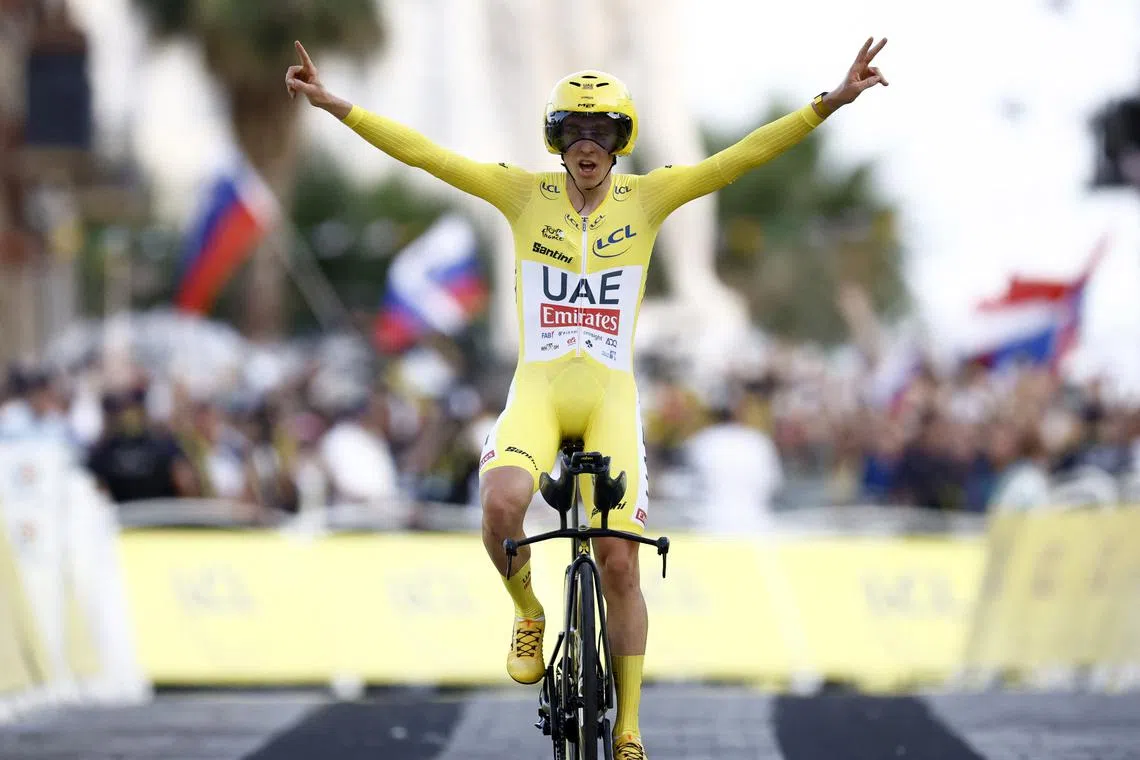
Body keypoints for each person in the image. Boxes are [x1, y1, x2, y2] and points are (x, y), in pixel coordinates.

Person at [287, 37, 888, 758]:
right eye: (575, 129)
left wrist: (831, 101)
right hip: (539, 390)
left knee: (619, 561)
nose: (588, 144)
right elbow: (426, 155)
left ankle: (628, 724)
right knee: (501, 506)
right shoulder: (522, 193)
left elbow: (740, 157)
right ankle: (528, 612)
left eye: (602, 131)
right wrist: (335, 105)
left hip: (609, 399)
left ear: (620, 139)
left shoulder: (649, 198)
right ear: (557, 137)